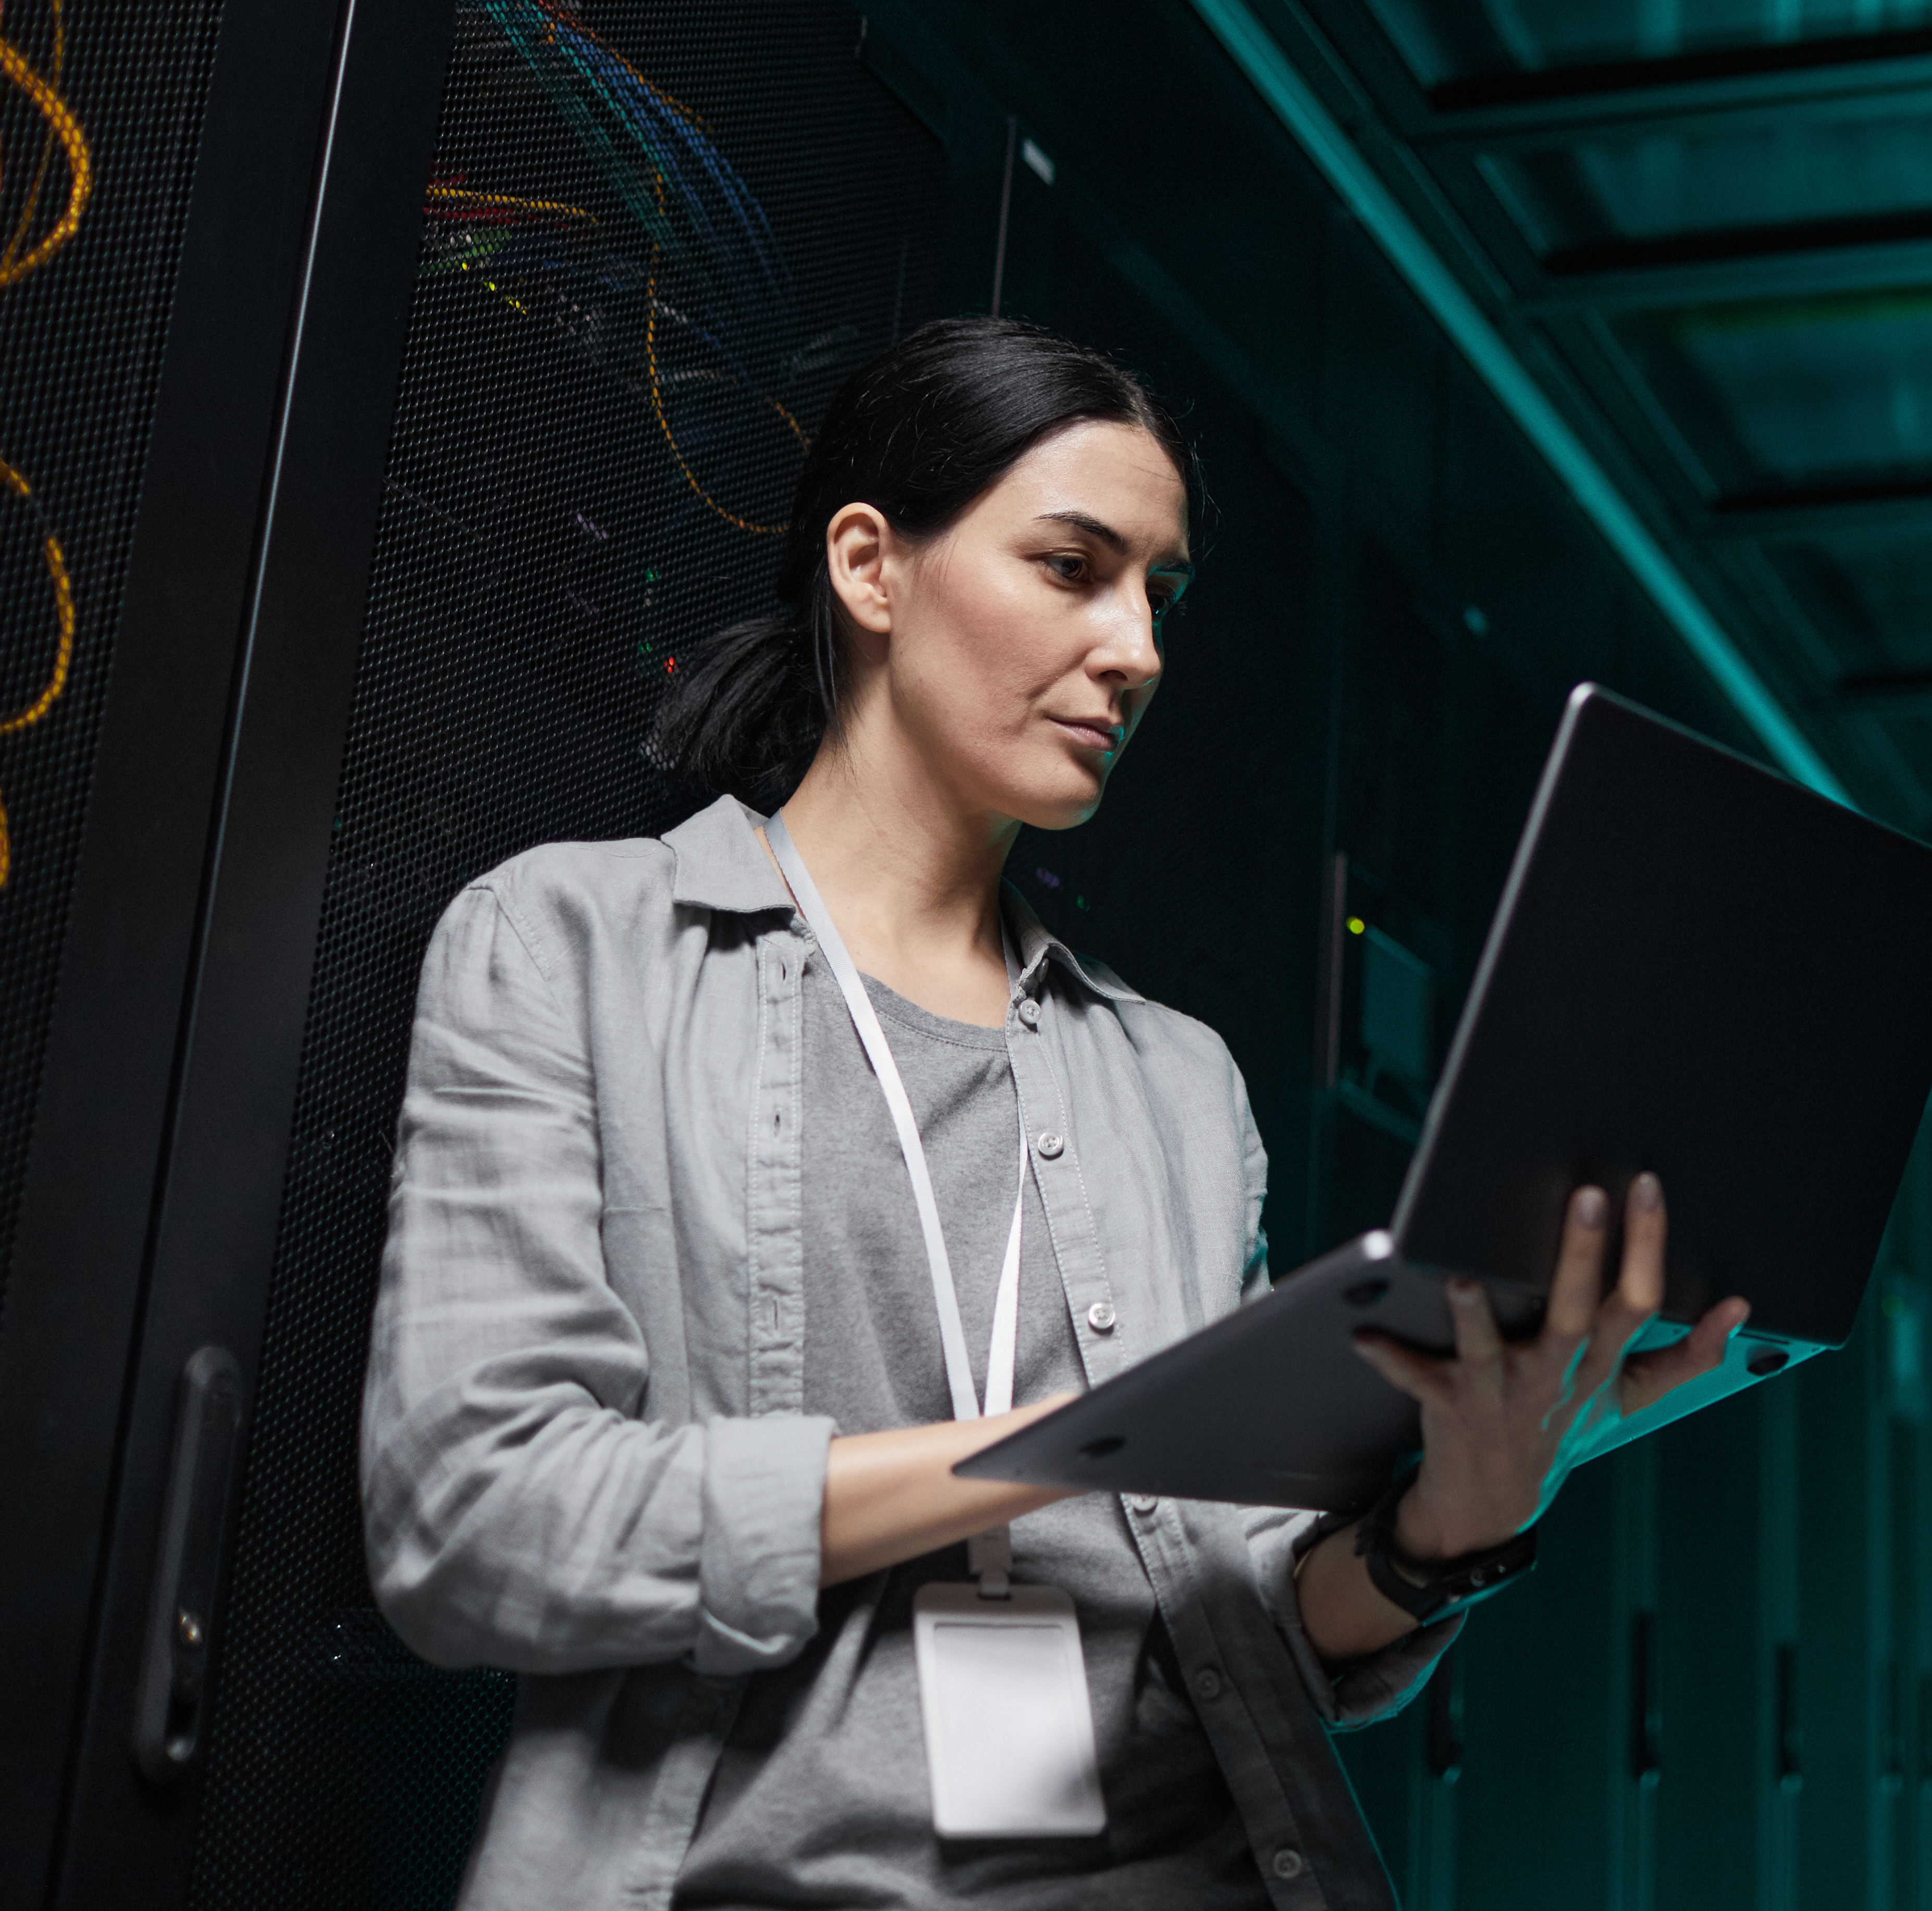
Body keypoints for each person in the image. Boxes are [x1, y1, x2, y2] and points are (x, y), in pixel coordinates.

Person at [359, 316, 1746, 1909]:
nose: (1137, 648)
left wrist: (1452, 1532)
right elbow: (474, 1520)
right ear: (872, 569)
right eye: (1073, 567)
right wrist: (1048, 1458)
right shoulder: (571, 946)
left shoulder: (1175, 1081)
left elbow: (1238, 1624)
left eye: (1159, 593)